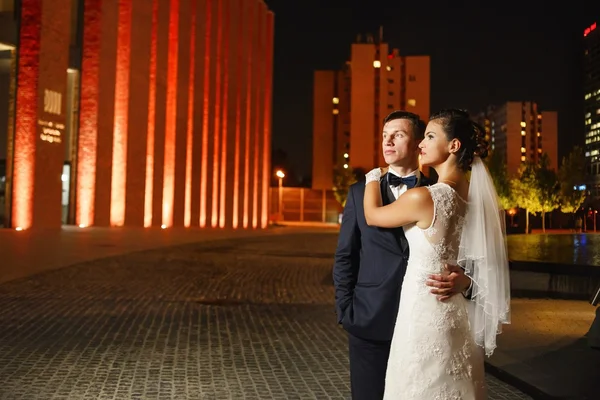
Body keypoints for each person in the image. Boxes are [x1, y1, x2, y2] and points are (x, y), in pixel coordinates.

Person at [363, 109, 511, 399]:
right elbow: (488, 261)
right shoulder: (474, 198)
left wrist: (371, 177)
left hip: (422, 310)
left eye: (430, 136)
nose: (421, 144)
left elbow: (372, 215)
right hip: (454, 309)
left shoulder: (424, 196)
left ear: (453, 146)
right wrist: (466, 281)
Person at [333, 110, 473, 400]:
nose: (388, 141)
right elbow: (346, 256)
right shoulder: (359, 193)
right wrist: (346, 310)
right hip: (369, 320)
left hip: (424, 324)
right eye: (385, 135)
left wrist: (467, 282)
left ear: (419, 142)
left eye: (398, 134)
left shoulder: (439, 192)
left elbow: (472, 253)